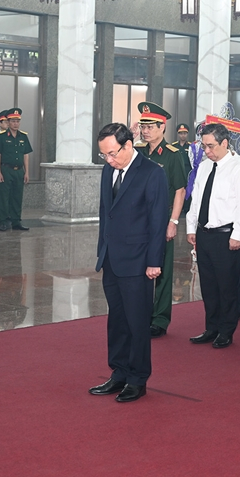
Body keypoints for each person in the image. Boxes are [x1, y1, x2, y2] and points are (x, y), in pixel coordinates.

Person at [88, 123, 168, 403]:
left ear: (128, 144)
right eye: (104, 155)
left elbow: (157, 221)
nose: (109, 160)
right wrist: (102, 251)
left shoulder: (152, 173)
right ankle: (119, 372)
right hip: (112, 258)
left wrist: (154, 261)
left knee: (137, 322)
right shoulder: (108, 170)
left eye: (112, 153)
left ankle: (138, 378)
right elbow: (105, 213)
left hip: (139, 262)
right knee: (117, 321)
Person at [186, 123, 240, 349]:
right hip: (204, 233)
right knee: (209, 285)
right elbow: (196, 200)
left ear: (225, 143)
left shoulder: (239, 168)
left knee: (226, 285)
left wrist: (237, 234)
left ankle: (226, 330)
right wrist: (191, 228)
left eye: (211, 146)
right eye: (204, 146)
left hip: (226, 236)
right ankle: (211, 327)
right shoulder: (204, 167)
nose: (207, 151)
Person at [134, 102, 188, 339]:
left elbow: (180, 190)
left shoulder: (173, 154)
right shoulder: (138, 152)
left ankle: (160, 319)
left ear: (162, 127)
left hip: (163, 216)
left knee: (163, 269)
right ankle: (142, 314)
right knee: (140, 267)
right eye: (143, 126)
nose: (145, 131)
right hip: (139, 219)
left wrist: (173, 222)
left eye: (150, 127)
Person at [0, 108, 32, 231]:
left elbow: (26, 155)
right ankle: (3, 220)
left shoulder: (23, 137)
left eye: (18, 121)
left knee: (17, 196)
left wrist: (27, 172)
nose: (16, 123)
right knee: (3, 195)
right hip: (6, 169)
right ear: (8, 122)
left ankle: (16, 221)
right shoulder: (2, 137)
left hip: (19, 170)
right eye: (13, 121)